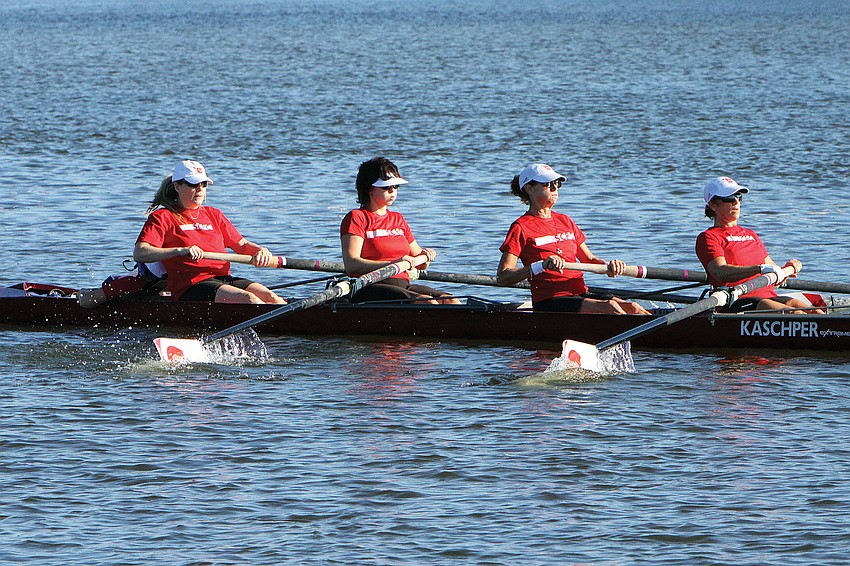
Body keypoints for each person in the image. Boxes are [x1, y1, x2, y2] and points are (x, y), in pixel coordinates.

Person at [497, 164, 650, 314]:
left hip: (579, 293)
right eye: (547, 184)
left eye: (556, 183)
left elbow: (589, 259)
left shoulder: (565, 220)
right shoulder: (521, 227)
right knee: (611, 307)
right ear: (529, 189)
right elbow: (503, 277)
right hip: (550, 301)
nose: (554, 188)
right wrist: (541, 266)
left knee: (633, 308)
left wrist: (610, 265)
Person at [133, 160, 285, 304]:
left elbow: (242, 245)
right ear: (177, 186)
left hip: (222, 278)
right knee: (249, 300)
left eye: (203, 184)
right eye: (193, 184)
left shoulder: (214, 214)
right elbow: (140, 253)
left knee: (272, 298)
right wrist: (180, 251)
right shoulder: (163, 216)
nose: (200, 189)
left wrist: (261, 251)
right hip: (190, 285)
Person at [695, 176, 824, 313]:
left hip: (767, 297)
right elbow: (720, 272)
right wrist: (759, 269)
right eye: (729, 198)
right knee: (793, 313)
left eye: (738, 197)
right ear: (713, 205)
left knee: (812, 310)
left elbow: (772, 269)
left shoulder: (751, 234)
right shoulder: (709, 237)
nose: (736, 202)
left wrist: (788, 268)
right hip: (735, 301)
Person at [340, 157, 459, 304]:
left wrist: (426, 257)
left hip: (402, 284)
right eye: (386, 187)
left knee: (451, 300)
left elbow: (419, 261)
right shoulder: (357, 217)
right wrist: (393, 263)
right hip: (370, 286)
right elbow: (352, 265)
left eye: (395, 186)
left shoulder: (398, 219)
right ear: (369, 189)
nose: (392, 191)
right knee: (428, 302)